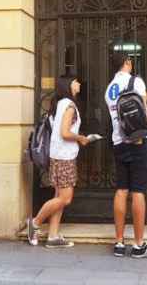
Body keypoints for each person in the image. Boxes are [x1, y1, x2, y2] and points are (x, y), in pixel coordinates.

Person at [104, 52, 147, 258]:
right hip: (139, 142)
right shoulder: (135, 80)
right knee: (138, 191)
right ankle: (139, 245)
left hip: (119, 142)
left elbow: (129, 107)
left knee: (122, 190)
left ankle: (119, 243)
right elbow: (142, 111)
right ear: (127, 62)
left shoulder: (110, 89)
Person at [27, 75, 90, 248]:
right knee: (65, 198)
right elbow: (64, 133)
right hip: (64, 157)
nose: (79, 83)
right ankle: (34, 224)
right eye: (76, 81)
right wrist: (81, 138)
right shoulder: (69, 106)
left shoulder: (60, 104)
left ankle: (53, 237)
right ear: (69, 85)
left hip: (57, 155)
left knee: (58, 196)